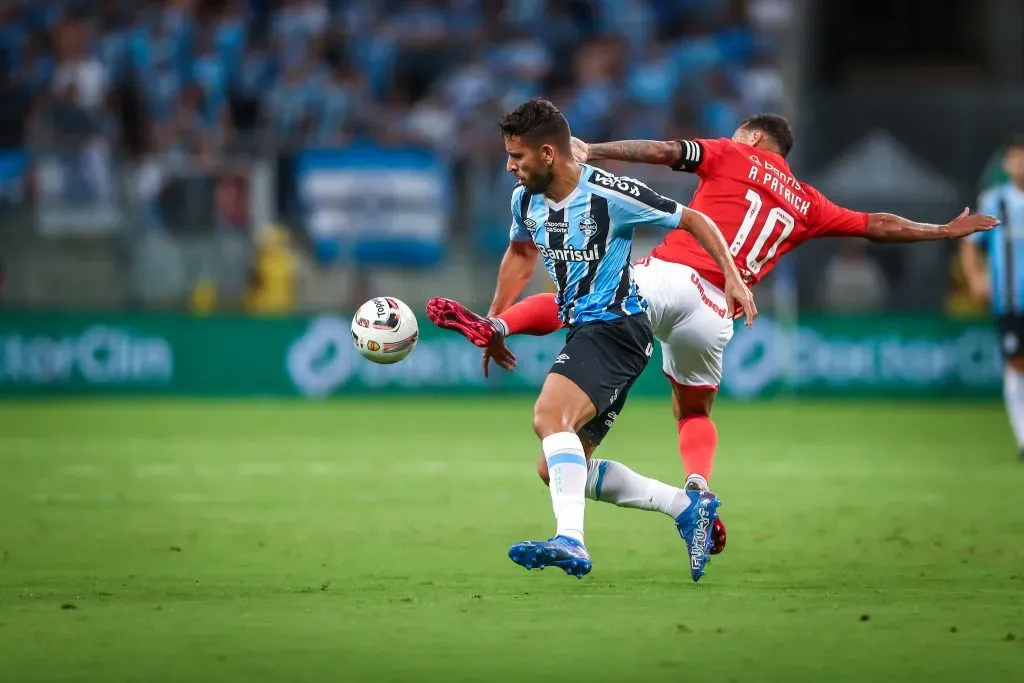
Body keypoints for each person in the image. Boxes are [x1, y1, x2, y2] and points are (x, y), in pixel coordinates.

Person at [430, 113, 999, 556]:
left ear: (752, 136)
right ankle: (696, 493)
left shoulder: (733, 153)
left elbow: (661, 152)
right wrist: (942, 230)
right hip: (718, 313)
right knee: (693, 414)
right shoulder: (809, 203)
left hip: (675, 275)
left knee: (586, 292)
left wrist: (591, 151)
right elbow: (878, 225)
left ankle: (498, 325)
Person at [436, 98, 755, 581]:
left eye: (516, 157)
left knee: (548, 416)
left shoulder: (609, 193)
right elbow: (521, 254)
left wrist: (731, 276)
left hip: (616, 328)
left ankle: (571, 541)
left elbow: (696, 219)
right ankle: (686, 509)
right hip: (591, 331)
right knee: (558, 467)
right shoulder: (525, 199)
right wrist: (494, 321)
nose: (509, 166)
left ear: (547, 153)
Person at [961, 135, 1024, 459]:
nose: (1019, 164)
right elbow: (970, 244)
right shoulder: (994, 201)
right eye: (1014, 158)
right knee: (1015, 365)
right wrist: (975, 277)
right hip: (1011, 301)